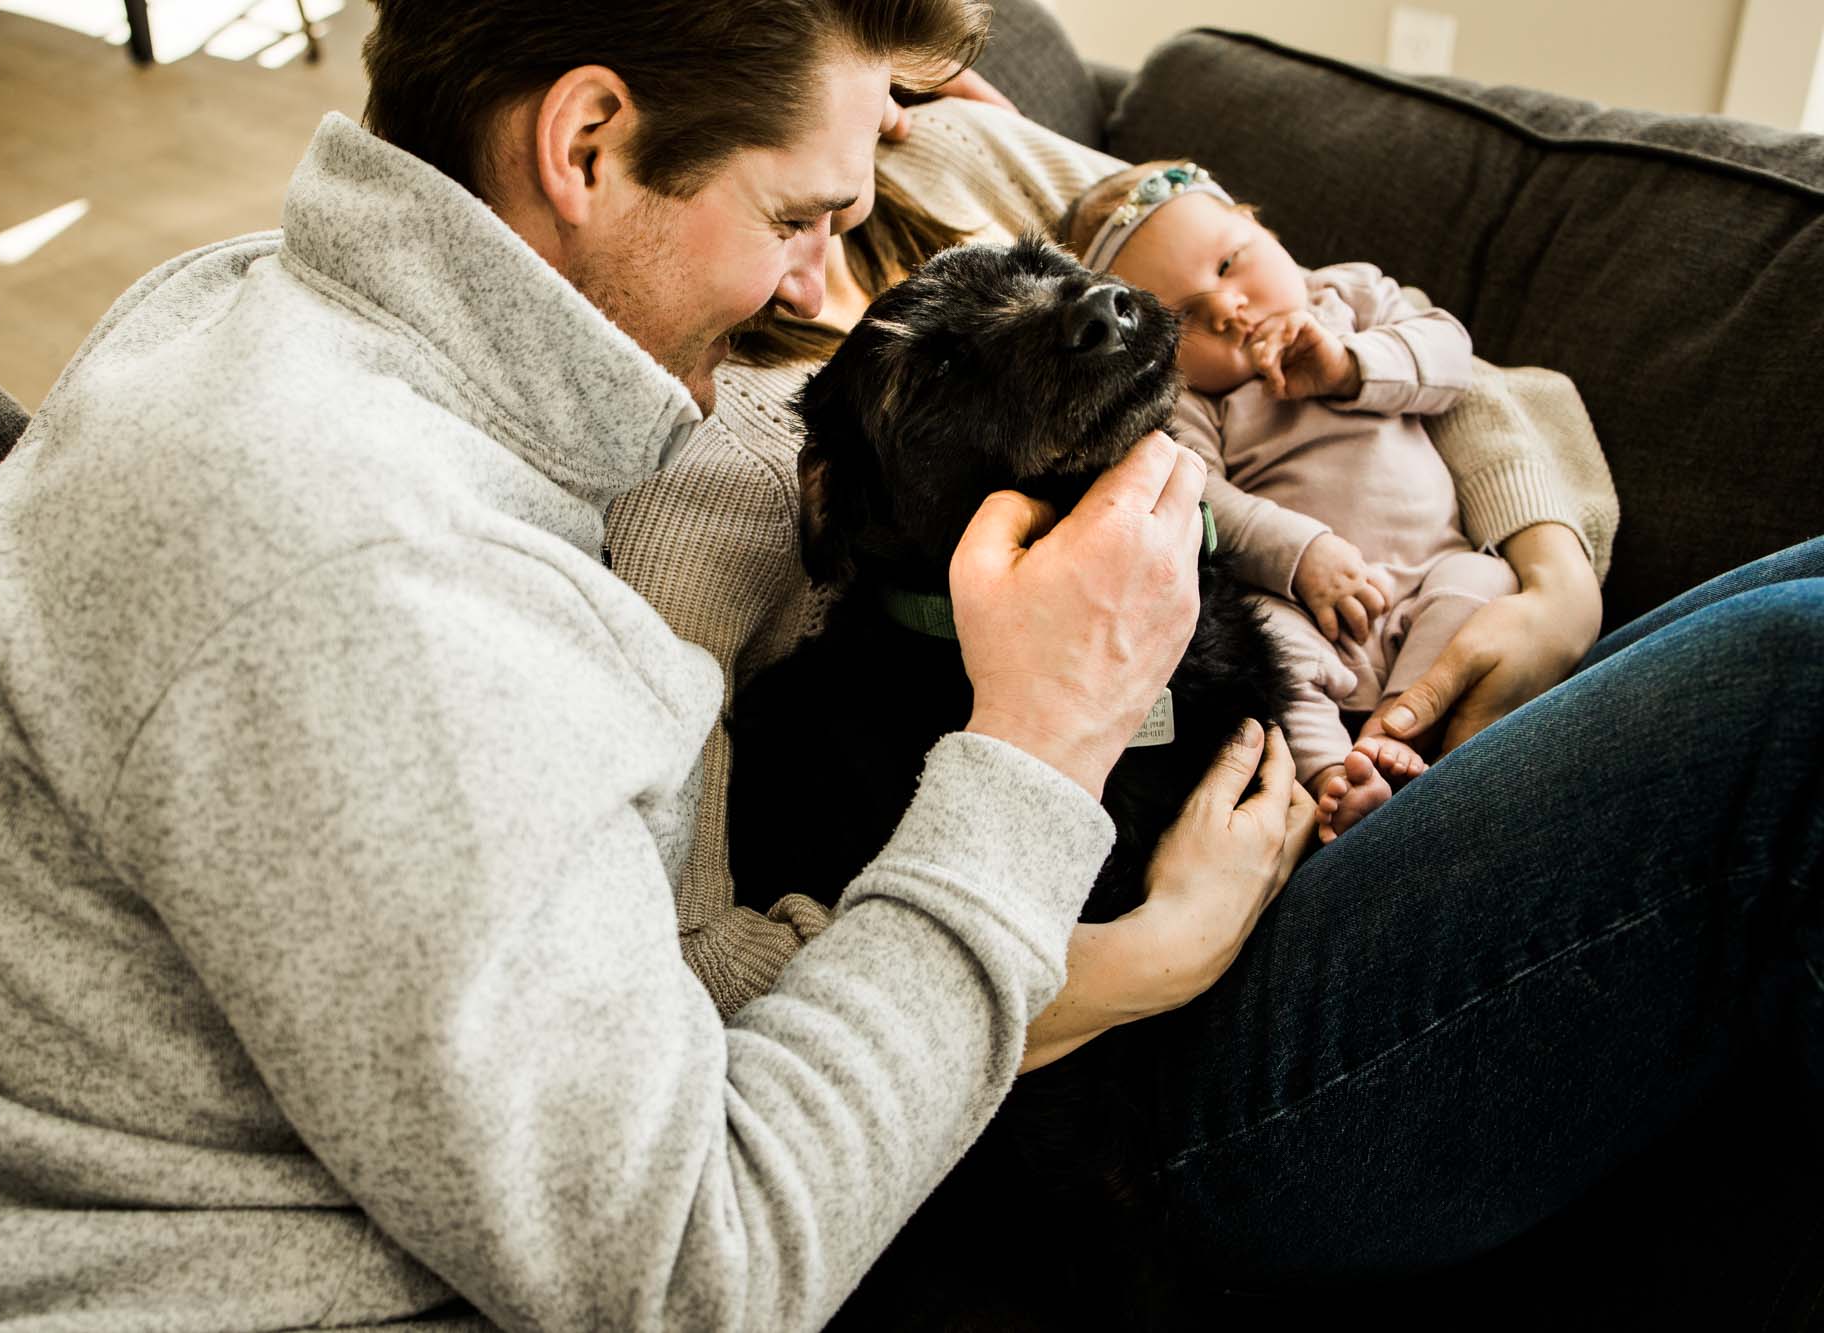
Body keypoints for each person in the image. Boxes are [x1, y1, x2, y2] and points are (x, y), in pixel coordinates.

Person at [0, 4, 1316, 1330]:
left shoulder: (263, 309)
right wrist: (1058, 795)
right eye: (801, 216)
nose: (818, 293)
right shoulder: (359, 578)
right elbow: (694, 1273)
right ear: (589, 142)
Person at [607, 89, 1822, 1298]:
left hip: (1365, 703)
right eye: (800, 198)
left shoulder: (938, 146)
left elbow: (1392, 332)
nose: (882, 148)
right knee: (1794, 674)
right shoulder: (707, 464)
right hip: (1141, 1059)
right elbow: (681, 982)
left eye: (899, 84)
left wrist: (1548, 583)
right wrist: (1148, 952)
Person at [1060, 159, 1522, 841]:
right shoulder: (1195, 403)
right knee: (1272, 648)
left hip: (1433, 570)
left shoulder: (1349, 298)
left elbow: (1451, 358)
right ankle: (1333, 773)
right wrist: (1301, 553)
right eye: (1185, 316)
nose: (1225, 309)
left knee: (1488, 579)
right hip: (1309, 601)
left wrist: (1345, 365)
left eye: (1228, 264)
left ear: (1257, 225)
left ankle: (1398, 728)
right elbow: (1201, 497)